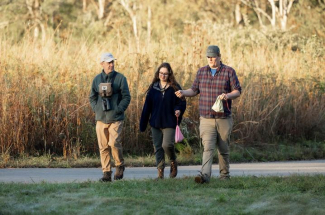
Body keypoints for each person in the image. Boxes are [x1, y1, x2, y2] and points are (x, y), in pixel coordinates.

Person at [175, 45, 242, 183]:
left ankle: (224, 176)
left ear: (219, 56)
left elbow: (237, 91)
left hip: (224, 118)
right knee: (208, 148)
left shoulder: (229, 71)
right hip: (206, 118)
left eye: (213, 57)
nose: (211, 59)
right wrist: (183, 93)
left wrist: (228, 96)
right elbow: (194, 90)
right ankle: (204, 176)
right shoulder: (201, 72)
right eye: (209, 57)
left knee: (223, 149)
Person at [89, 52, 131, 182]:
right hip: (101, 118)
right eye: (108, 62)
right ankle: (106, 173)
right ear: (102, 64)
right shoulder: (96, 79)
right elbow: (92, 96)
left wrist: (119, 109)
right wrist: (96, 109)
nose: (111, 65)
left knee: (113, 142)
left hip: (116, 118)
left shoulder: (120, 78)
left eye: (112, 62)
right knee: (103, 146)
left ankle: (119, 165)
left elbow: (126, 97)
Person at [140, 62, 186, 179]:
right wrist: (143, 123)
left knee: (167, 145)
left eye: (165, 74)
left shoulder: (175, 87)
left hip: (169, 122)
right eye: (161, 73)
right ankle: (160, 173)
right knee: (158, 147)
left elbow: (181, 102)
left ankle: (173, 161)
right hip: (155, 122)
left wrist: (178, 110)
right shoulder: (153, 88)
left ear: (169, 74)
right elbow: (147, 107)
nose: (163, 76)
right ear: (158, 73)